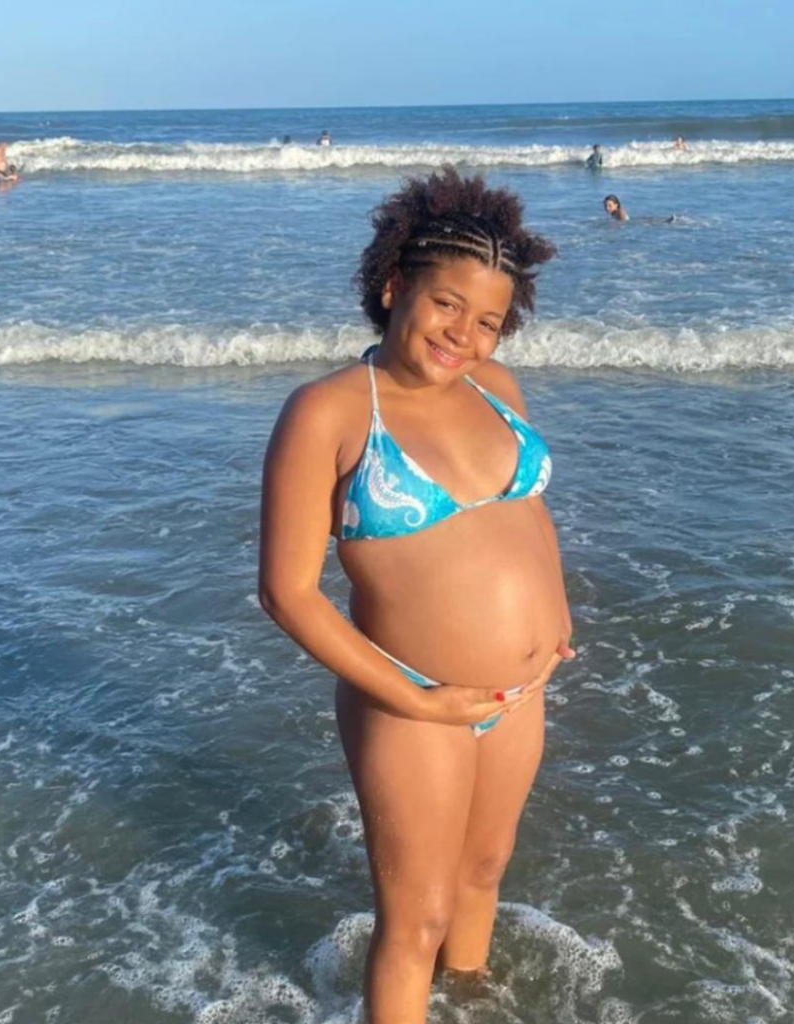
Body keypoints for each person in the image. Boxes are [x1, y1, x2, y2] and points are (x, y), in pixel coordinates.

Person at [259, 166, 574, 1023]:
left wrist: (556, 616)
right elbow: (288, 593)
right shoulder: (329, 412)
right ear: (395, 285)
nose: (463, 334)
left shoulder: (497, 389)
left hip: (520, 692)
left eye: (489, 322)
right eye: (446, 304)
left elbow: (528, 509)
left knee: (484, 872)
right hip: (409, 701)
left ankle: (469, 1004)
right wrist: (418, 699)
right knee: (415, 920)